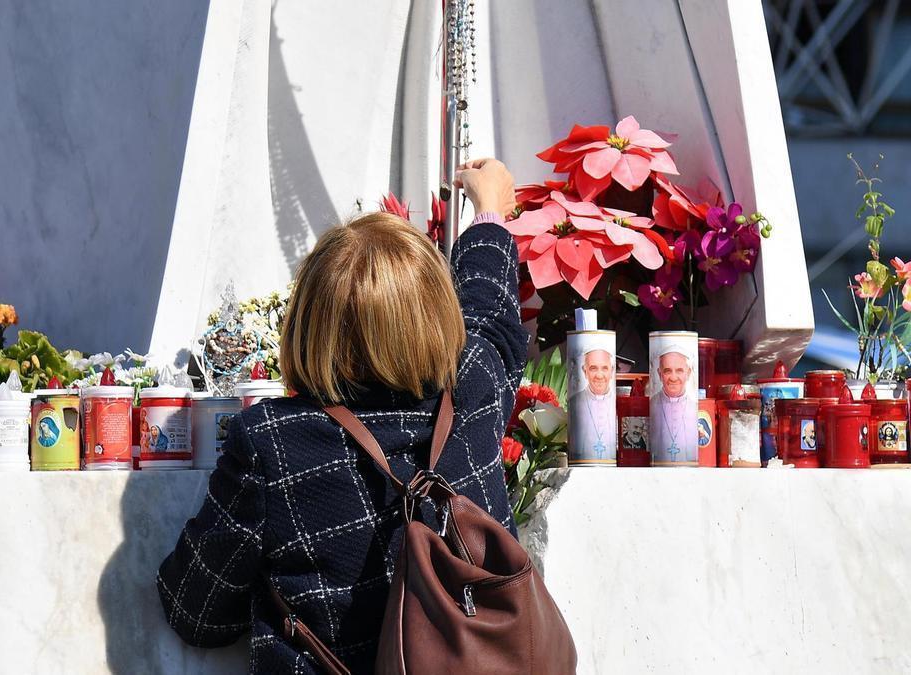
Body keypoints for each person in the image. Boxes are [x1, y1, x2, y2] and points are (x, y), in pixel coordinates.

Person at [156, 159, 526, 673]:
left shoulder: (273, 443)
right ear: (438, 312)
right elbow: (491, 315)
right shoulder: (475, 389)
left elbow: (196, 612)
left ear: (311, 319)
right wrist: (488, 215)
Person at [567, 348, 616, 461]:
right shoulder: (574, 402)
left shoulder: (617, 402)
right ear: (585, 371)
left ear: (612, 371)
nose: (599, 375)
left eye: (604, 368)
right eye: (593, 368)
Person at [649, 348, 697, 462]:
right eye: (667, 371)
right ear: (659, 374)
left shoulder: (696, 408)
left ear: (688, 373)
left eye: (679, 371)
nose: (673, 378)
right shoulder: (650, 405)